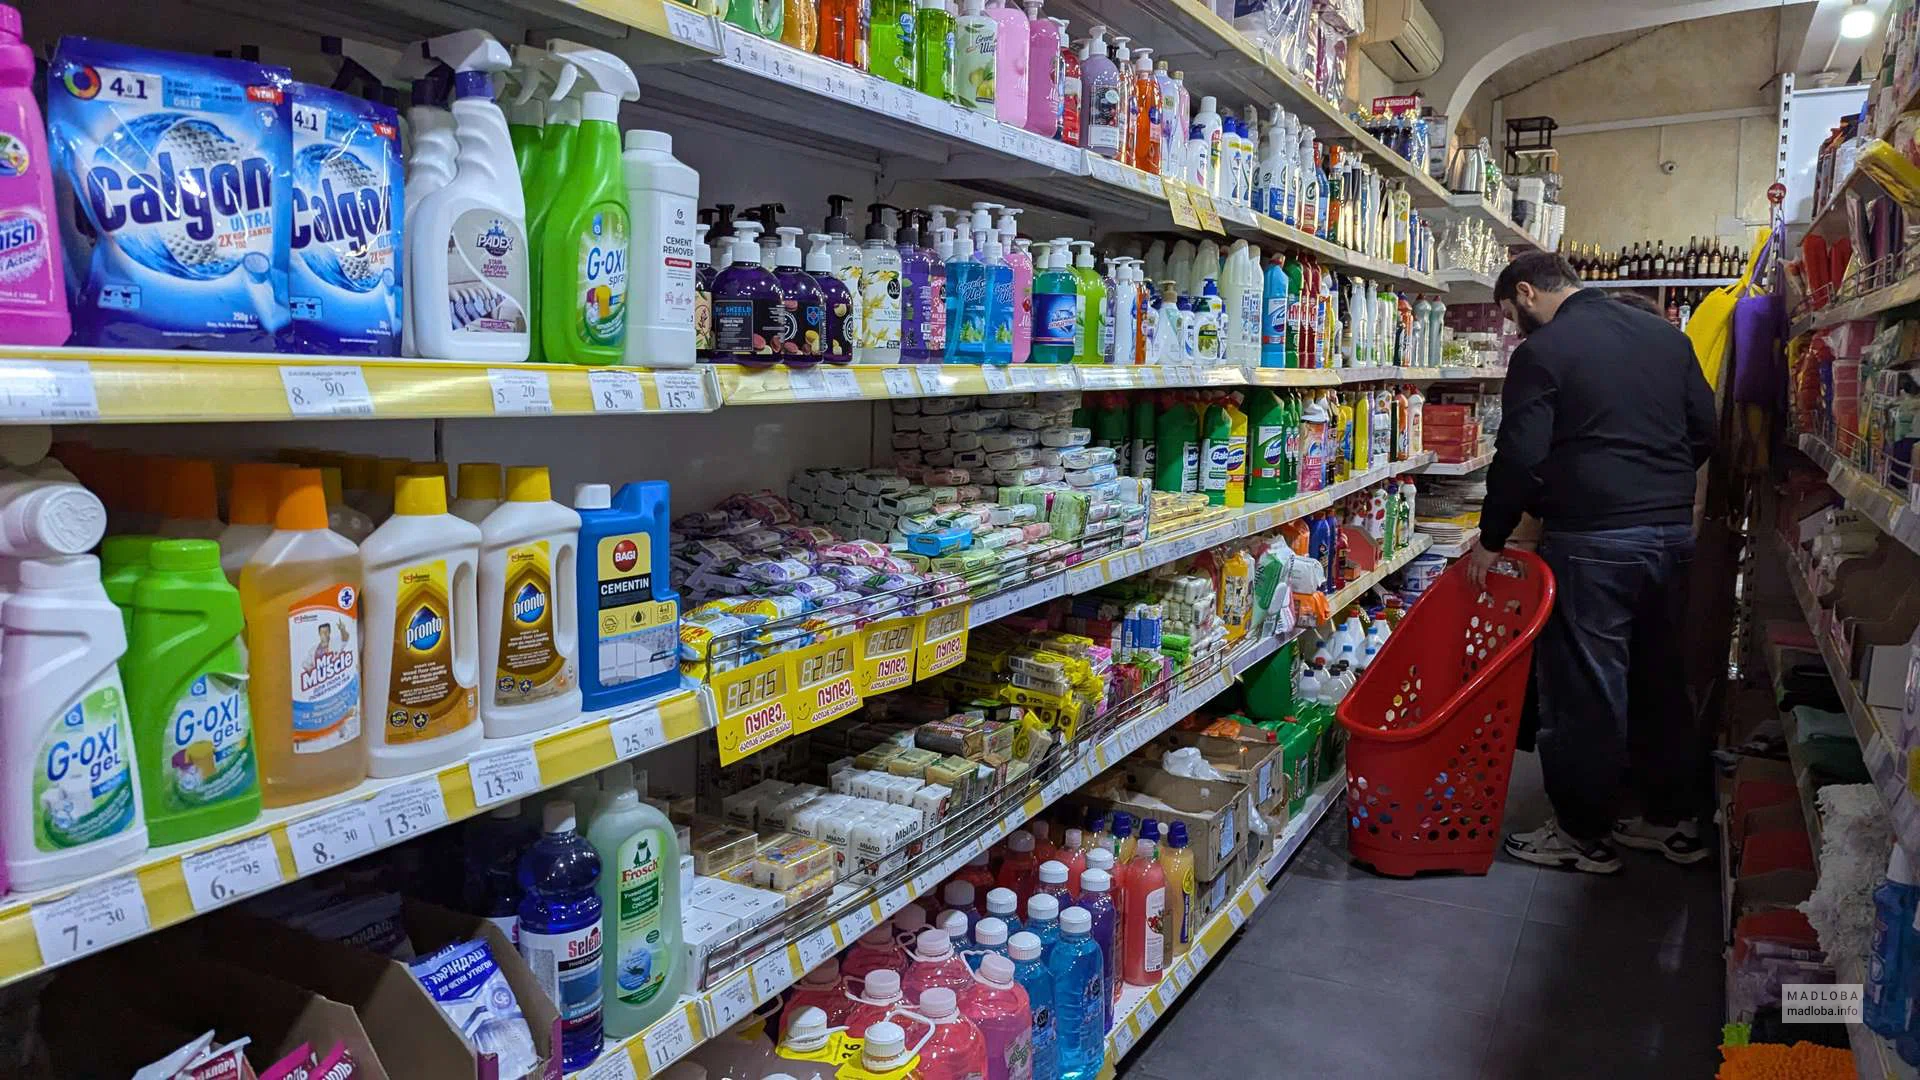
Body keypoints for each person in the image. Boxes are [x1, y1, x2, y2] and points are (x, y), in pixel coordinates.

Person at [1471, 251, 1716, 875]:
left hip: (1592, 541)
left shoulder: (1544, 351)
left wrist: (1492, 537)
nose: (1515, 326)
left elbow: (1521, 456)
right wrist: (1654, 485)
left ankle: (1583, 835)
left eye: (1511, 313)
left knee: (1585, 691)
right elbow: (1705, 429)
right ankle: (1669, 820)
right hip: (1669, 535)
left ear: (1526, 293)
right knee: (1661, 679)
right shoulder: (1666, 337)